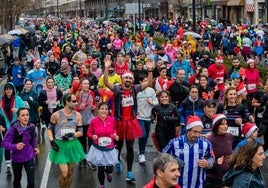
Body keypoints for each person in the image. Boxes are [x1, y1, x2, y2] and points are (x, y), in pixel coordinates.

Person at [103, 56, 154, 181]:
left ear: (132, 80)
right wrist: (105, 68)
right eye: (125, 77)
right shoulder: (117, 88)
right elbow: (106, 82)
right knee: (118, 146)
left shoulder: (135, 89)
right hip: (119, 122)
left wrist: (150, 70)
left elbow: (149, 83)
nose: (127, 80)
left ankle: (130, 172)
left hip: (131, 122)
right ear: (122, 79)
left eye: (129, 78)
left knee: (130, 147)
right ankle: (117, 162)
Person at [163, 115, 215, 188]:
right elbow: (163, 157)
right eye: (195, 131)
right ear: (188, 129)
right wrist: (174, 161)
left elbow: (212, 158)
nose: (197, 135)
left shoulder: (206, 143)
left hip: (198, 184)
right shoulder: (174, 142)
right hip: (177, 184)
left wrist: (208, 164)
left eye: (200, 132)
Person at [47, 93, 85, 188]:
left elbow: (80, 132)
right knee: (64, 173)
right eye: (74, 101)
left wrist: (71, 134)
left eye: (76, 101)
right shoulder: (56, 115)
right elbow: (49, 129)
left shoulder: (78, 115)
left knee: (70, 172)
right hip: (60, 146)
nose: (76, 103)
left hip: (72, 145)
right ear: (67, 102)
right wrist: (52, 141)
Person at [2, 107, 40, 188]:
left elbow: (33, 140)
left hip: (29, 157)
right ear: (18, 117)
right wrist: (15, 146)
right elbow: (4, 143)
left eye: (27, 115)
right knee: (17, 180)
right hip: (17, 159)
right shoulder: (13, 129)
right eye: (23, 115)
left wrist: (35, 147)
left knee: (31, 181)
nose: (25, 117)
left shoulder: (32, 127)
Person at [86, 102, 119, 188]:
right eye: (102, 109)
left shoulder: (112, 120)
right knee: (100, 169)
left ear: (108, 111)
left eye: (106, 109)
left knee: (109, 168)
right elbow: (89, 132)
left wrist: (115, 135)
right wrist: (93, 136)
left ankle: (109, 173)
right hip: (98, 148)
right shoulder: (94, 121)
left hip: (109, 148)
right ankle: (102, 184)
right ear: (98, 110)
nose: (104, 111)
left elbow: (114, 130)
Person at [0, 82, 25, 176]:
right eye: (6, 89)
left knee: (16, 146)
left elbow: (24, 110)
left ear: (13, 90)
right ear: (4, 90)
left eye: (10, 89)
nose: (8, 91)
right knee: (7, 146)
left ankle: (17, 163)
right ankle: (8, 167)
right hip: (5, 126)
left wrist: (17, 110)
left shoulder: (18, 99)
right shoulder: (1, 100)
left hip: (16, 126)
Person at [206, 114, 233, 188]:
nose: (225, 126)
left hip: (228, 174)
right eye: (222, 124)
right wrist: (216, 162)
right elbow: (206, 160)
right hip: (213, 177)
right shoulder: (210, 140)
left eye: (226, 124)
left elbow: (229, 153)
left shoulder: (230, 136)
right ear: (216, 125)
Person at [74, 78, 96, 167]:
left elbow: (94, 102)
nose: (86, 85)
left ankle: (90, 158)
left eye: (88, 84)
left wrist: (94, 106)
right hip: (80, 121)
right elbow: (72, 108)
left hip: (90, 119)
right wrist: (79, 108)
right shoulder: (77, 95)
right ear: (81, 85)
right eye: (85, 84)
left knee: (91, 140)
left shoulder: (91, 93)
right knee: (82, 141)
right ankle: (82, 158)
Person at [137, 74, 158, 163]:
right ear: (140, 82)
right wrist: (135, 111)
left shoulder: (151, 91)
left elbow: (156, 101)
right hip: (139, 117)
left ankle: (142, 152)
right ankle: (141, 153)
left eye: (147, 81)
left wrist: (152, 102)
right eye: (144, 81)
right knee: (143, 134)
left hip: (148, 117)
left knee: (145, 136)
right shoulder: (137, 91)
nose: (146, 82)